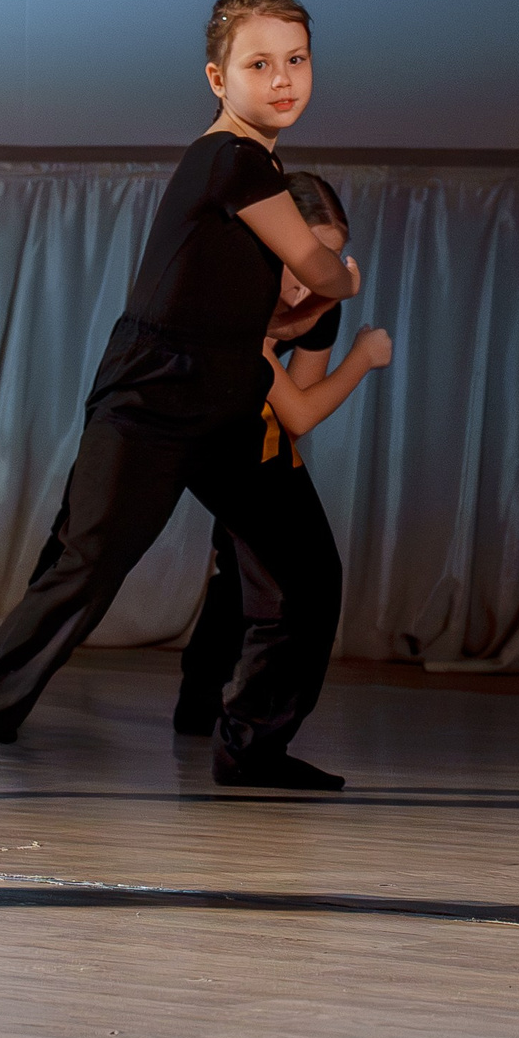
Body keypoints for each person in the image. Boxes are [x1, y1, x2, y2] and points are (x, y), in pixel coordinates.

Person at [0, 0, 364, 798]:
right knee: (86, 570)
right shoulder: (229, 155)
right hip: (155, 397)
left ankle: (251, 747)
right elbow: (316, 269)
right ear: (216, 77)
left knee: (306, 570)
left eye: (295, 60)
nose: (282, 79)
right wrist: (345, 279)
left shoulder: (257, 161)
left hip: (230, 396)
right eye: (258, 63)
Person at [172, 172, 394, 741]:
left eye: (332, 259)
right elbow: (296, 408)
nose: (315, 277)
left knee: (259, 565)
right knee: (83, 559)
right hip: (169, 419)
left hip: (241, 427)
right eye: (305, 258)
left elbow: (295, 410)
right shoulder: (233, 290)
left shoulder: (324, 300)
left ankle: (210, 710)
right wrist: (364, 359)